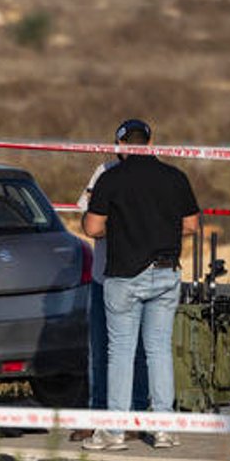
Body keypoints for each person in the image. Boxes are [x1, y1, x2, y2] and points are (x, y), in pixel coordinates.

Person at [80, 119, 200, 451]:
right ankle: (163, 430)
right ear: (151, 141)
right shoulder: (175, 177)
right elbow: (191, 225)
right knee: (159, 351)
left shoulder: (110, 179)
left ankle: (114, 432)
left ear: (119, 146)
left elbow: (91, 228)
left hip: (124, 276)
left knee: (120, 353)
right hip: (165, 273)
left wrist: (121, 228)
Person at [77, 157, 150, 429]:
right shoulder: (104, 171)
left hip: (138, 276)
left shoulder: (154, 175)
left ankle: (136, 410)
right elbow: (88, 218)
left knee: (138, 349)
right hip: (104, 275)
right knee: (101, 349)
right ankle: (100, 412)